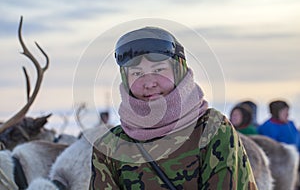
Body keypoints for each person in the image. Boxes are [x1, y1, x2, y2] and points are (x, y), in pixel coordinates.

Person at [89, 27, 257, 189]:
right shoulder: (109, 147)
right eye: (137, 73)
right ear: (125, 79)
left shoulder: (212, 129)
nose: (149, 83)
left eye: (159, 70)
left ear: (178, 70)